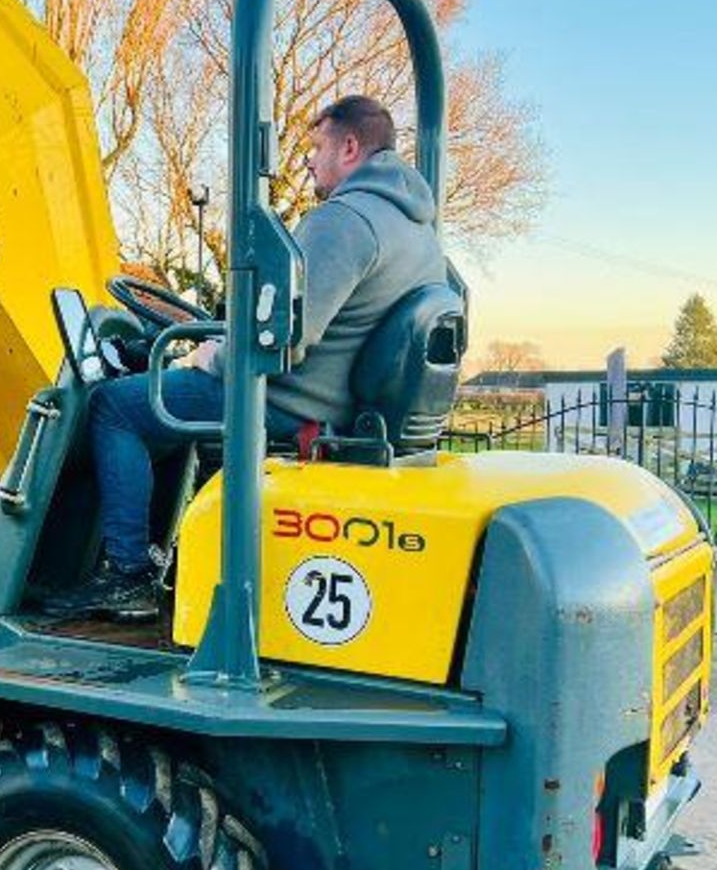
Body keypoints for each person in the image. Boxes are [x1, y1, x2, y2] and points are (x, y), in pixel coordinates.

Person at [48, 94, 449, 621]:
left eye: (316, 146)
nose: (308, 160)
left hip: (292, 400)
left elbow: (281, 338)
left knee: (115, 408)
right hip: (342, 402)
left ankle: (127, 577)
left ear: (349, 146)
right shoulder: (418, 232)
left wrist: (207, 357)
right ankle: (165, 557)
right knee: (161, 412)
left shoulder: (345, 220)